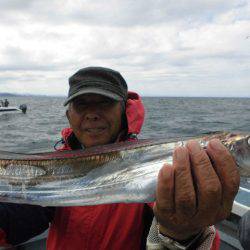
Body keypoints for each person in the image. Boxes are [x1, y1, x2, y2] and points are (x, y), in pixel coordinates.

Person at [0, 66, 240, 250]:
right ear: (68, 115)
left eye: (104, 103)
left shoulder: (156, 166)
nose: (92, 114)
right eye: (82, 104)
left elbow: (193, 239)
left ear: (124, 111)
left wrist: (182, 234)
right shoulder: (54, 166)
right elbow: (18, 223)